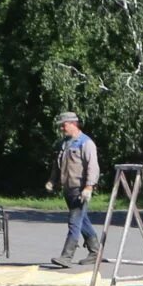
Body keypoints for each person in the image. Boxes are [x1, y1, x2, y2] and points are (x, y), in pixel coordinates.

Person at [47, 111, 101, 268]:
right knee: (82, 221)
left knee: (74, 222)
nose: (62, 129)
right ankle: (95, 252)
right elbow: (56, 165)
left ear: (73, 124)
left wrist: (89, 187)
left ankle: (66, 256)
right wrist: (52, 180)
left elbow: (93, 167)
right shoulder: (64, 143)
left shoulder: (86, 143)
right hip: (68, 188)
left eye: (64, 125)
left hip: (80, 189)